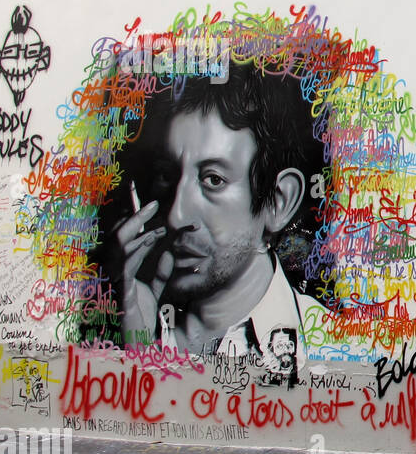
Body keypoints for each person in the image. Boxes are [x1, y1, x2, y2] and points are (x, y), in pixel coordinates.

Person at [109, 64, 324, 374]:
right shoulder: (133, 322)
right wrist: (136, 356)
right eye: (168, 176)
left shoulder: (341, 351)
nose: (176, 215)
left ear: (278, 202)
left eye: (213, 180)